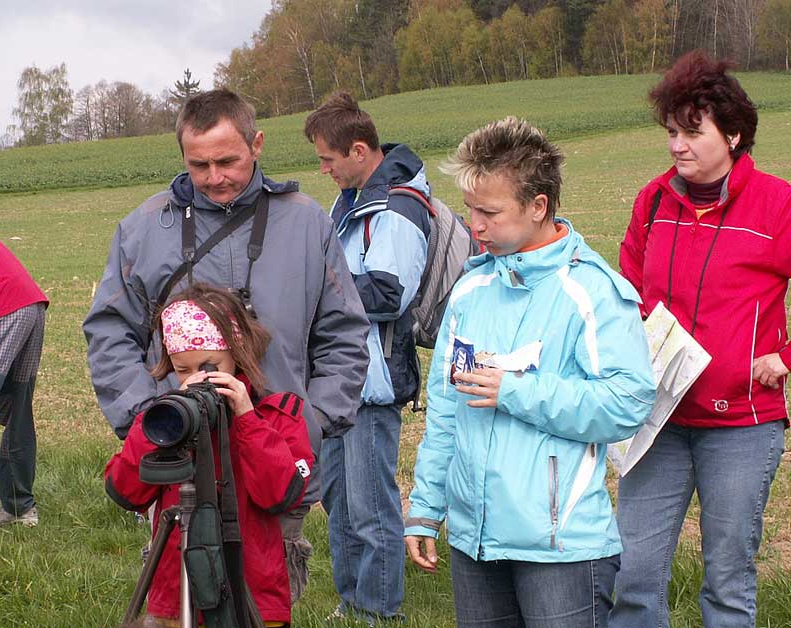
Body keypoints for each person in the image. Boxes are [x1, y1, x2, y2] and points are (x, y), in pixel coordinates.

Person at [84, 89, 370, 602]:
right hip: (179, 463)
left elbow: (344, 334)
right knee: (183, 602)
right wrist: (147, 419)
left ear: (257, 144)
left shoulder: (307, 222)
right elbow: (109, 331)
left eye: (227, 160)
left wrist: (311, 421)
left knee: (266, 600)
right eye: (200, 165)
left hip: (275, 459)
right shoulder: (144, 228)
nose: (215, 176)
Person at [404, 117, 655, 628]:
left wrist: (516, 391)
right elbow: (447, 413)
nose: (474, 225)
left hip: (561, 549)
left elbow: (628, 402)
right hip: (474, 542)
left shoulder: (592, 292)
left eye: (489, 212)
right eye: (470, 209)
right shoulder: (470, 293)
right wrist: (426, 506)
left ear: (538, 207)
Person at [611, 51, 790, 628]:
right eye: (671, 132)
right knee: (632, 571)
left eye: (692, 132)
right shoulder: (653, 202)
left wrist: (784, 357)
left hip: (741, 424)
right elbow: (630, 290)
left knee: (727, 580)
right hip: (658, 418)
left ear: (733, 134)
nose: (677, 146)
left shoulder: (778, 205)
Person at [106, 283, 314, 627]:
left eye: (209, 365)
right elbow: (124, 490)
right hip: (175, 599)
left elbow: (279, 495)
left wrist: (246, 418)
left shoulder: (277, 418)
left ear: (238, 352)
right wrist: (160, 431)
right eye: (182, 370)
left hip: (253, 595)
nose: (196, 379)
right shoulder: (168, 420)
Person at [303, 91, 430, 622]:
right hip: (338, 379)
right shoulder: (353, 200)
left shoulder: (397, 208)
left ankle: (378, 611)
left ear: (359, 150)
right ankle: (351, 600)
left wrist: (313, 285)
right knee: (339, 501)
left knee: (371, 506)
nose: (325, 169)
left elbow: (387, 293)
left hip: (371, 383)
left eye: (328, 159)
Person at [0, 236, 48, 527]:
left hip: (4, 309)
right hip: (29, 306)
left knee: (16, 410)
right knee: (17, 411)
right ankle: (19, 509)